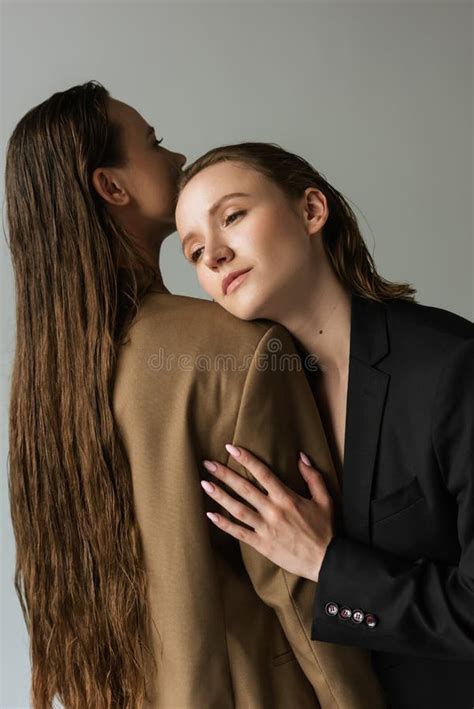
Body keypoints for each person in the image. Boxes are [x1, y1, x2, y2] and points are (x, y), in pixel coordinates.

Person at [5, 82, 387, 708]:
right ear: (112, 187)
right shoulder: (237, 350)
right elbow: (297, 586)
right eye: (153, 144)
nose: (177, 158)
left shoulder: (49, 394)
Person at [175, 142, 474, 709]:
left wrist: (323, 560)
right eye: (192, 251)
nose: (213, 255)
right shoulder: (262, 401)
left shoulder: (450, 365)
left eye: (233, 216)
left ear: (312, 211)